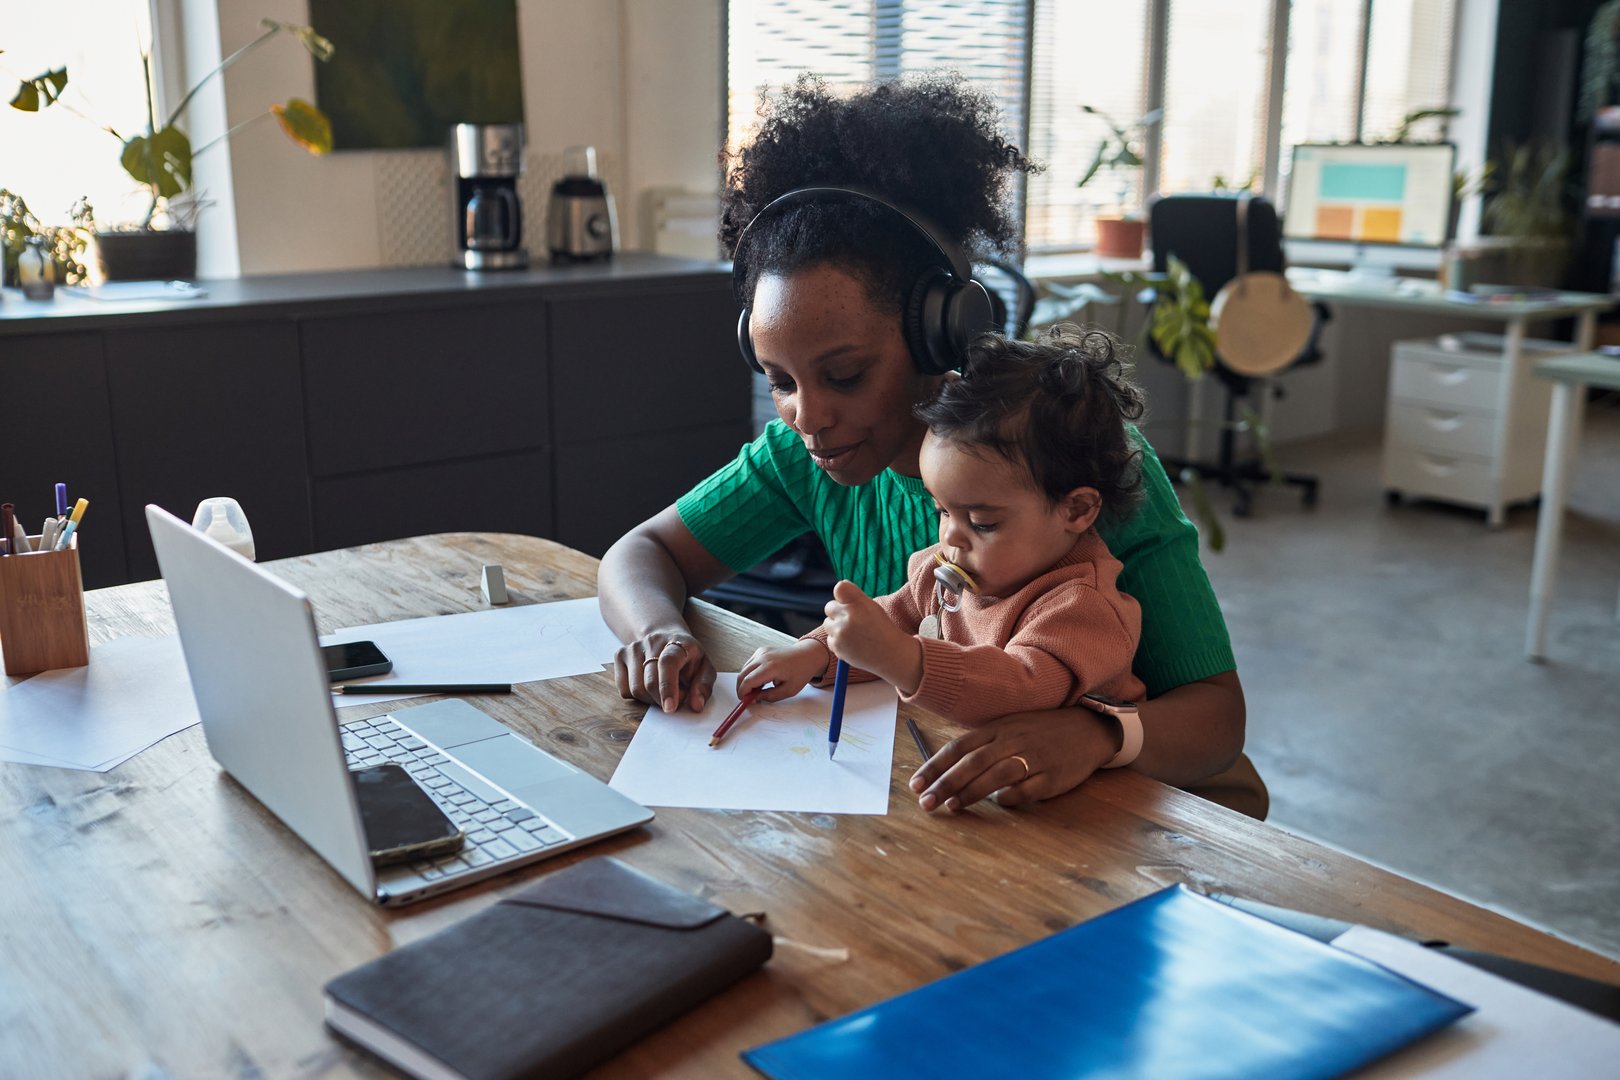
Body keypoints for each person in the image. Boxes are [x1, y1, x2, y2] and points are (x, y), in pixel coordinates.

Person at [599, 74, 1265, 818]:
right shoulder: (801, 453)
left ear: (938, 332)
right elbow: (640, 554)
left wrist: (1092, 734)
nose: (808, 416)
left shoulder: (1074, 457)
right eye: (779, 379)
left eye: (844, 374)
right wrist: (656, 634)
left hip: (1139, 818)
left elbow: (1217, 724)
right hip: (962, 815)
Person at [735, 327, 1148, 730]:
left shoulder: (1082, 607)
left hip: (1087, 792)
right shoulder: (949, 569)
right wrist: (816, 652)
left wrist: (903, 658)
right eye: (943, 511)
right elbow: (891, 617)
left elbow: (1021, 688)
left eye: (983, 523)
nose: (950, 537)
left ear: (1075, 509)